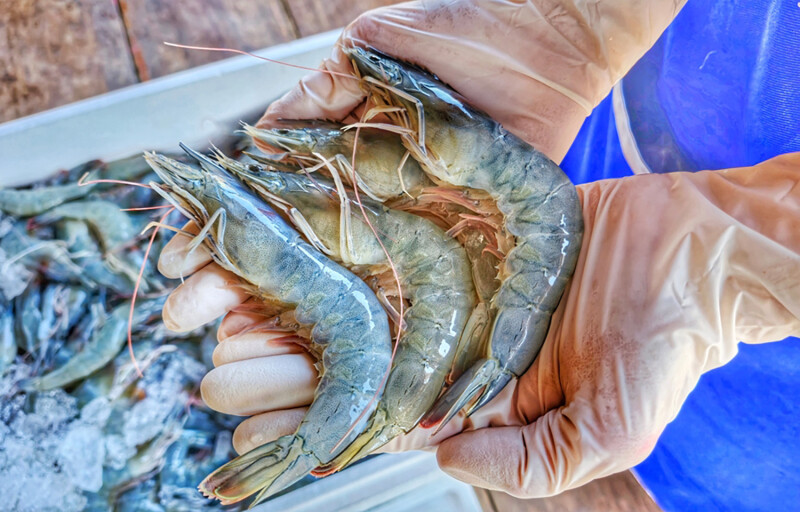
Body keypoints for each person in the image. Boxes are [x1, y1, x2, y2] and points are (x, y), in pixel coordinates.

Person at [156, 0, 800, 500]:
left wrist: (737, 258)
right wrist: (568, 19)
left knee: (711, 443)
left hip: (763, 388)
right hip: (622, 116)